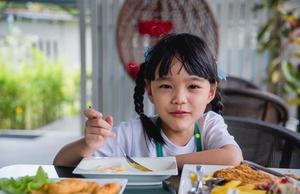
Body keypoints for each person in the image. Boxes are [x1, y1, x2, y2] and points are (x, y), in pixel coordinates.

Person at [54, 33, 243, 169]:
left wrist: (159, 165)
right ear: (150, 91)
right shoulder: (134, 133)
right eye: (166, 86)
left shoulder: (208, 124)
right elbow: (61, 162)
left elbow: (232, 157)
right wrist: (88, 144)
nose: (179, 99)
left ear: (210, 92)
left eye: (193, 86)